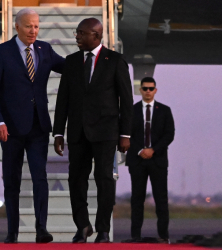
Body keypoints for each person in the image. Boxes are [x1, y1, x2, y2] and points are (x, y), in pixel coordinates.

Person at [0, 8, 65, 243]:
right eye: (29, 26)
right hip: (10, 129)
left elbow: (68, 67)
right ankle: (12, 233)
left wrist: (92, 57)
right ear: (17, 26)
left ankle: (42, 229)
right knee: (12, 182)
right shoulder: (1, 53)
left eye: (37, 26)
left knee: (40, 178)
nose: (33, 31)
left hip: (38, 126)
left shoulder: (44, 49)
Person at [53, 18, 133, 243]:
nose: (76, 37)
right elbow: (63, 100)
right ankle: (83, 226)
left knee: (104, 179)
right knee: (76, 180)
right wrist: (58, 132)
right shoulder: (71, 62)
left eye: (81, 33)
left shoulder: (115, 61)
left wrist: (125, 134)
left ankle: (103, 229)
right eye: (76, 32)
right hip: (78, 131)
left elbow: (126, 100)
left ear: (95, 36)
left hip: (106, 131)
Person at [125, 77, 175, 243]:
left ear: (155, 90)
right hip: (137, 160)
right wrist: (140, 150)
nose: (147, 91)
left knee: (161, 199)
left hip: (158, 160)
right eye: (145, 88)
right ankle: (135, 236)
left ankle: (163, 235)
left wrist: (153, 150)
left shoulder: (165, 110)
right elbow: (126, 135)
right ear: (140, 90)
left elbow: (169, 134)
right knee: (137, 199)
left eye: (150, 88)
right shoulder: (131, 111)